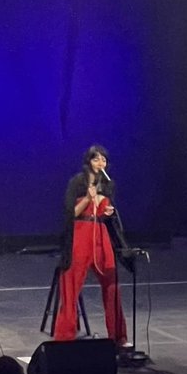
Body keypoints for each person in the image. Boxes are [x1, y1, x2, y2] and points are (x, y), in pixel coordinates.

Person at [56, 145, 130, 345]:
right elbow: (71, 212)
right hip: (81, 233)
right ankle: (65, 337)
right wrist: (88, 198)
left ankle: (118, 336)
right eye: (97, 159)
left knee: (112, 283)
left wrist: (109, 213)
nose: (101, 163)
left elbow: (109, 211)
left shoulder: (108, 184)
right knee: (71, 285)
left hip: (100, 235)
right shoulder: (77, 182)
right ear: (88, 161)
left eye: (104, 160)